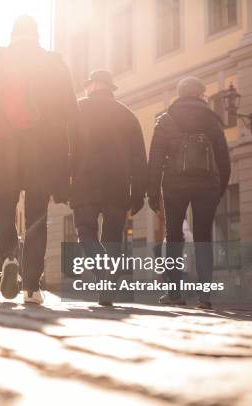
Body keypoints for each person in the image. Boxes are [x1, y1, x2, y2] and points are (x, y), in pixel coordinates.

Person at [0, 16, 77, 304]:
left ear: (13, 34)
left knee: (4, 205)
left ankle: (8, 257)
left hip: (3, 147)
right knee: (36, 215)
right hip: (42, 150)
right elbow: (71, 108)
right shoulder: (53, 62)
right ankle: (32, 286)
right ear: (37, 35)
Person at [147, 76, 231, 310]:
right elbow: (224, 160)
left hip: (174, 185)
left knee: (174, 237)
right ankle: (205, 297)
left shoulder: (166, 119)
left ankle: (175, 294)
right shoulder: (212, 120)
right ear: (201, 94)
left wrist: (152, 192)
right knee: (204, 237)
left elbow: (154, 159)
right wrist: (219, 189)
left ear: (180, 93)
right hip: (207, 186)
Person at [70, 70, 147, 306]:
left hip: (85, 182)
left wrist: (62, 183)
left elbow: (65, 150)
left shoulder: (76, 110)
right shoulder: (128, 115)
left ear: (92, 86)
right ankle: (107, 288)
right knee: (112, 236)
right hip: (118, 185)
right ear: (109, 89)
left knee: (85, 231)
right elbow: (139, 158)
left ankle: (104, 272)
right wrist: (139, 193)